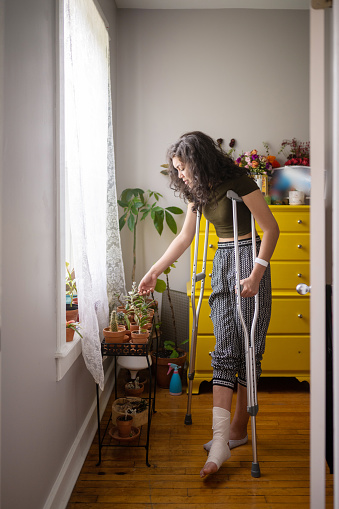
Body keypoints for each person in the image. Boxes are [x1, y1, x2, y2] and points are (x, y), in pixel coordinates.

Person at [138, 131, 279, 478]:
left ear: (198, 161)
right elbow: (185, 237)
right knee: (224, 347)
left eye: (183, 167)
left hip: (249, 258)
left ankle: (237, 432)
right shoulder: (196, 192)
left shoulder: (238, 180)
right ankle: (220, 440)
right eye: (176, 169)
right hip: (222, 263)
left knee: (248, 348)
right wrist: (154, 271)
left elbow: (271, 228)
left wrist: (257, 274)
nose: (181, 175)